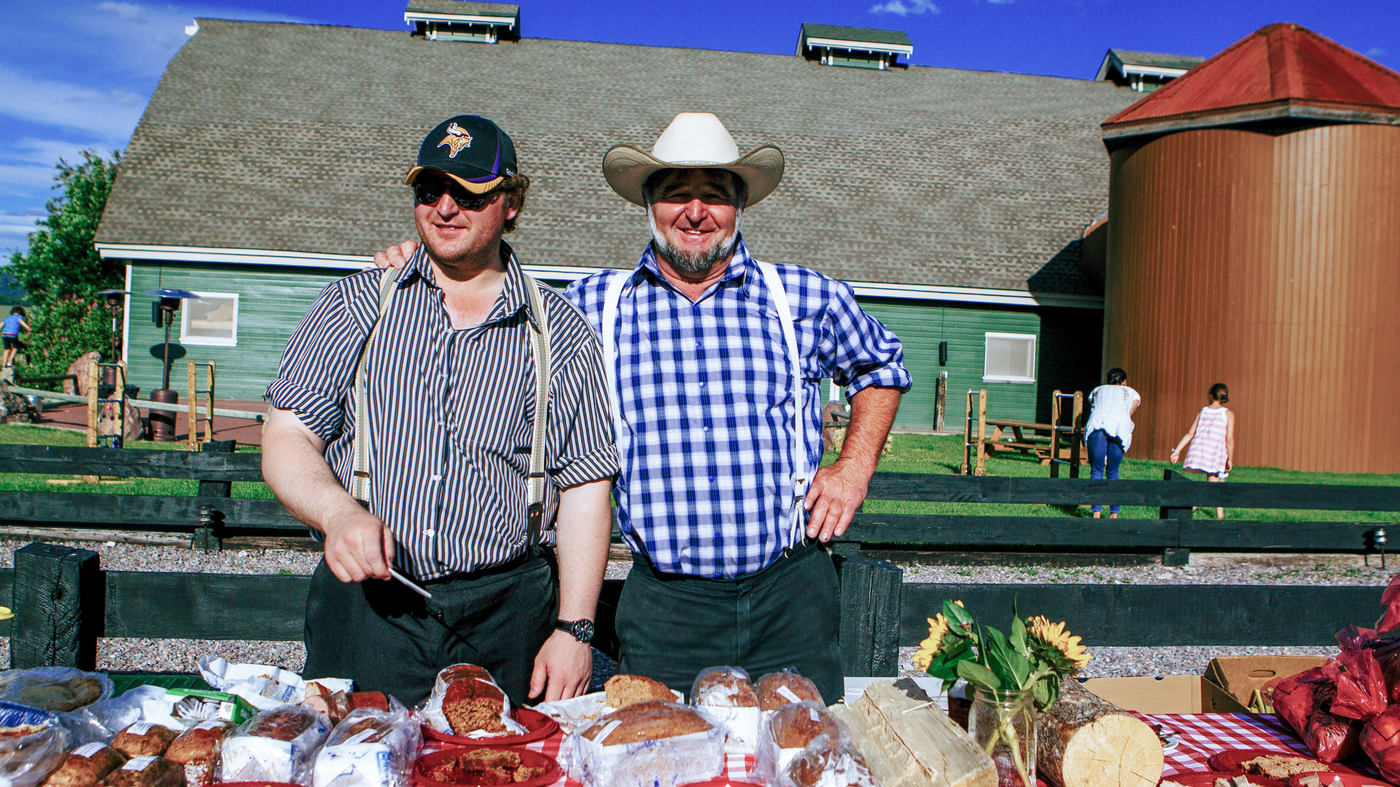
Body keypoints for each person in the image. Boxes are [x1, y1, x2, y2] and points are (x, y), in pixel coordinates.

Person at [375, 112, 910, 702]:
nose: (696, 212)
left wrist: (853, 468)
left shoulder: (805, 296)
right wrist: (429, 267)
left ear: (740, 206)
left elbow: (880, 367)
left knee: (803, 756)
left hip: (791, 594)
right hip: (665, 609)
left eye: (716, 195)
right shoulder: (588, 307)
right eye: (677, 193)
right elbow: (491, 304)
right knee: (666, 758)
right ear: (650, 204)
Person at [262, 115, 618, 707]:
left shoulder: (560, 330)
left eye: (470, 192)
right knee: (356, 766)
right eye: (430, 190)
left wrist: (575, 629)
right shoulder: (356, 304)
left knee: (503, 770)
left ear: (510, 203)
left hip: (506, 611)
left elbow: (585, 487)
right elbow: (286, 438)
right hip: (369, 605)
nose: (445, 207)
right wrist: (338, 515)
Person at [1170, 383, 1235, 519]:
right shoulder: (1228, 414)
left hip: (1200, 451)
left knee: (1219, 481)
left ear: (1211, 396)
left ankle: (1220, 516)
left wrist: (1177, 451)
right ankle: (1186, 510)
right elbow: (1229, 439)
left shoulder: (1203, 411)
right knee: (1211, 488)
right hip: (1215, 453)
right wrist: (1230, 458)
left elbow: (1190, 433)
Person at [1082, 367, 1139, 518]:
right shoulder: (1132, 392)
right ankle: (1114, 513)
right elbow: (1129, 412)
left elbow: (1094, 406)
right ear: (1124, 381)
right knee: (1113, 471)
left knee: (1097, 469)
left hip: (1097, 426)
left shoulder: (1097, 390)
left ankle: (1096, 513)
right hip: (1120, 428)